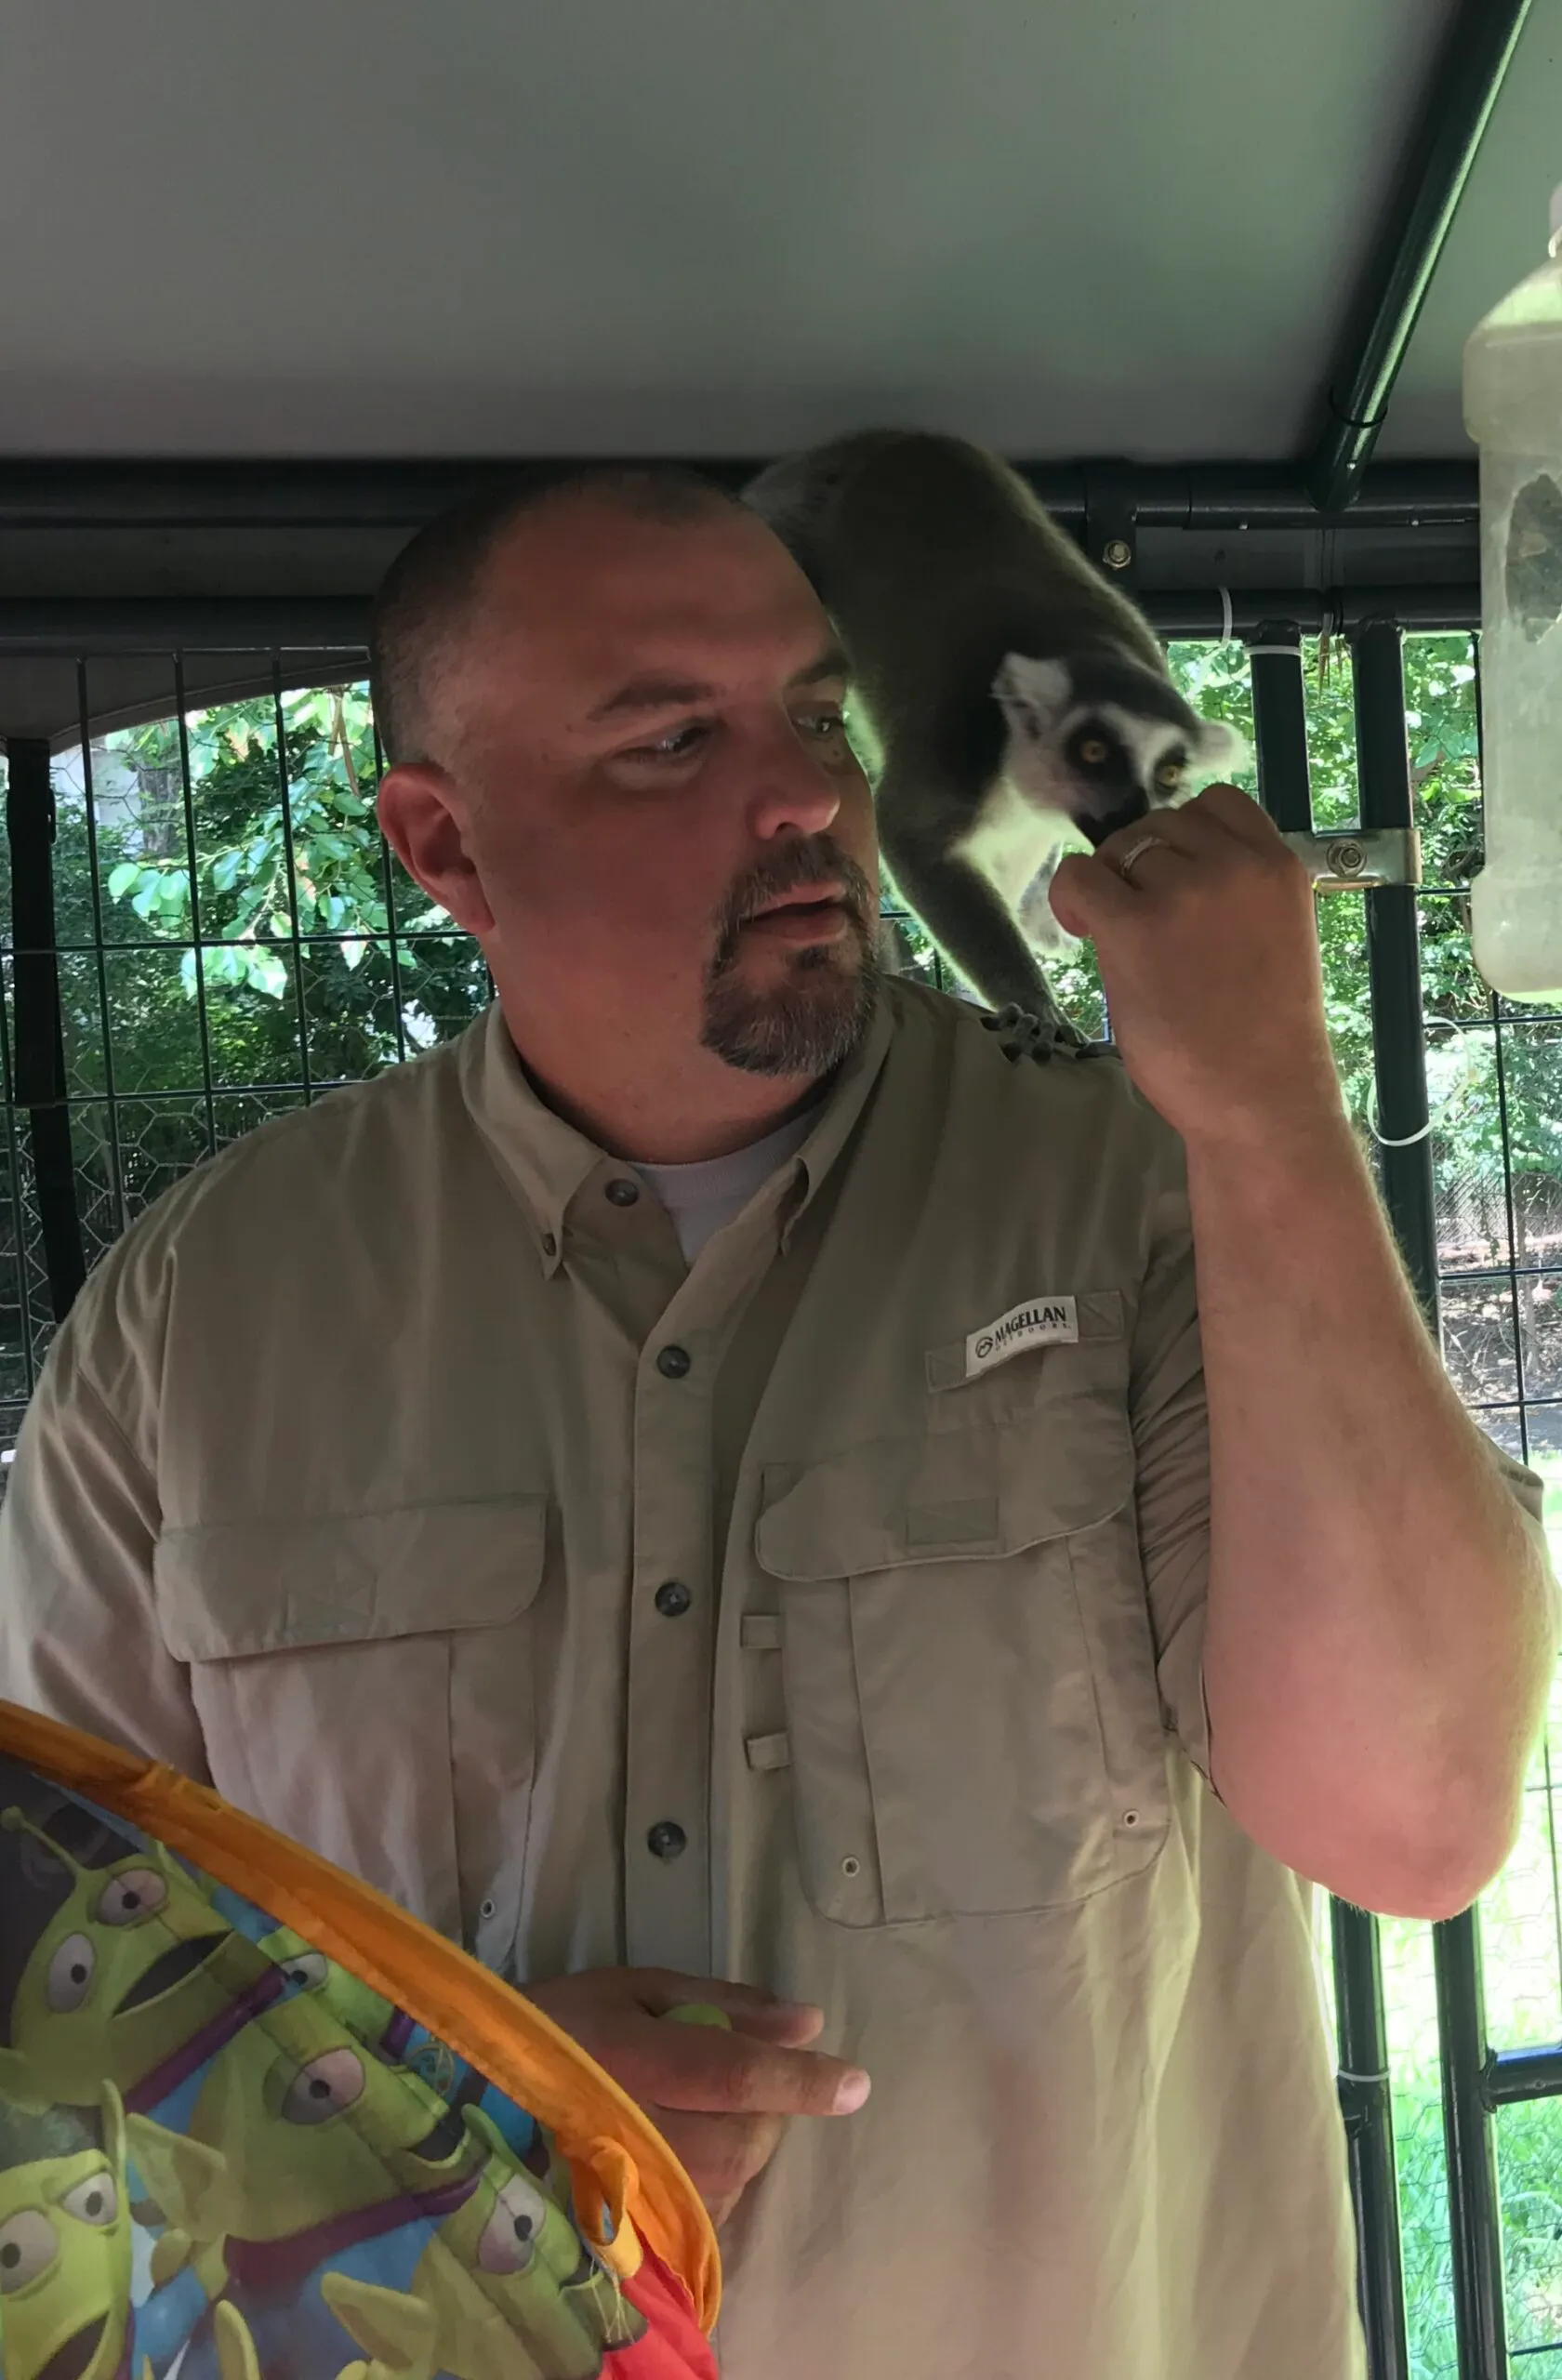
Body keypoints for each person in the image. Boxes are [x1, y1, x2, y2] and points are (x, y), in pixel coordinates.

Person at [0, 463, 1554, 2380]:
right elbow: (58, 2048)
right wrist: (464, 2102)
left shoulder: (1145, 1187)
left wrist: (1269, 1110)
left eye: (819, 712)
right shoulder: (197, 1320)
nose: (809, 789)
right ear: (445, 846)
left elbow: (1411, 1815)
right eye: (671, 739)